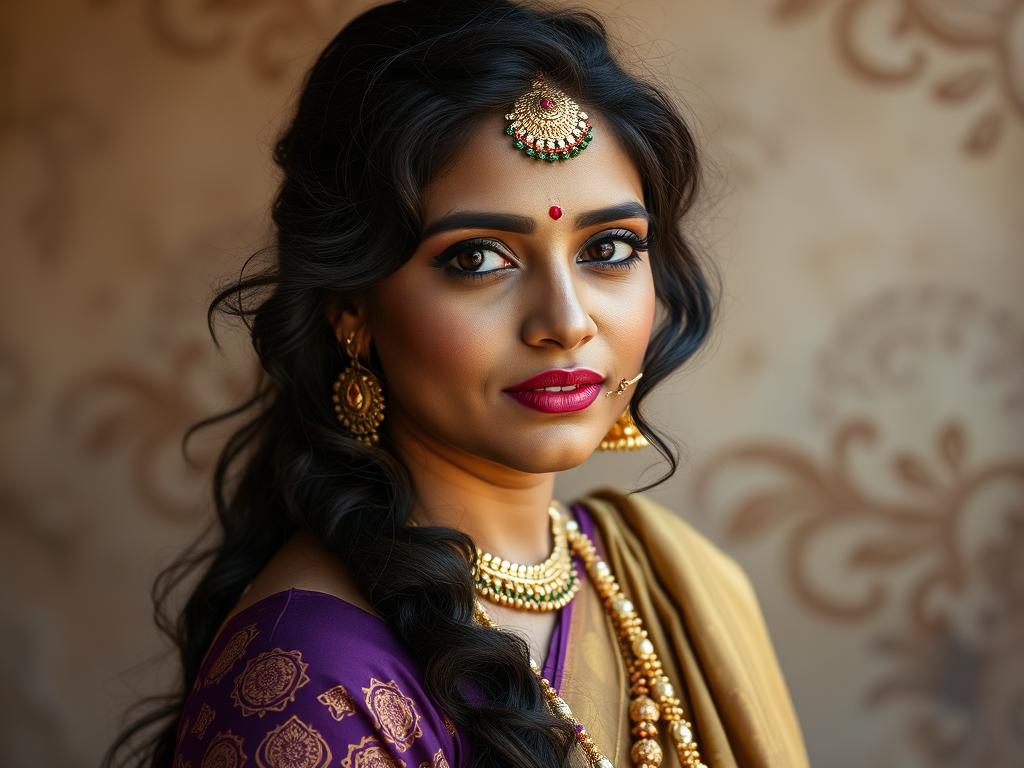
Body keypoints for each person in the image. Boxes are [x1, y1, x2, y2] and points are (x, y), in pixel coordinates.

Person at [104, 1, 808, 766]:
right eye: (477, 259)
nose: (566, 322)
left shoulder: (678, 583)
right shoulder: (313, 685)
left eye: (608, 246)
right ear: (352, 310)